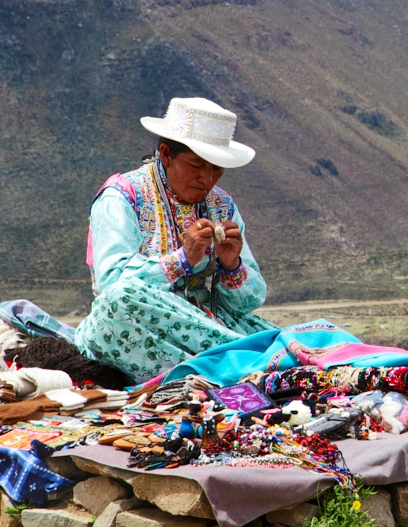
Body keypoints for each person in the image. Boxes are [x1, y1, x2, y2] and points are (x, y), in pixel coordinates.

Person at [74, 98, 276, 382]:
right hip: (135, 325)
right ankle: (241, 361)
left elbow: (247, 303)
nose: (207, 179)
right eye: (196, 165)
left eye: (217, 168)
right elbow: (112, 284)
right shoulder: (121, 196)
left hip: (207, 322)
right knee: (118, 300)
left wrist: (232, 265)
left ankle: (225, 363)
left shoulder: (222, 205)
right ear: (166, 155)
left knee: (270, 331)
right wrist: (182, 259)